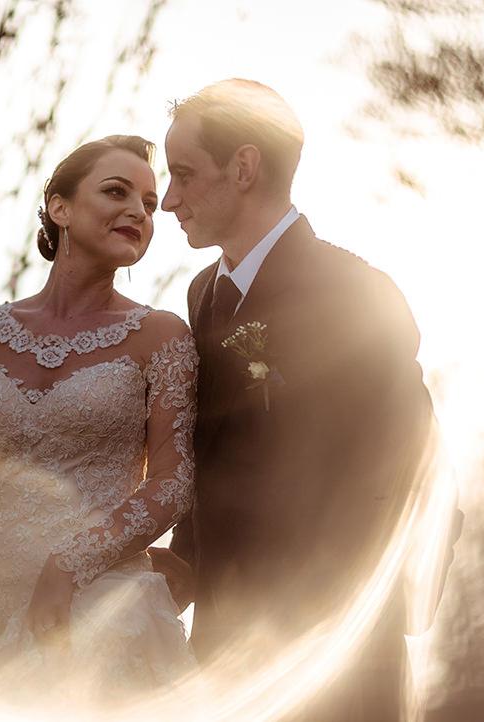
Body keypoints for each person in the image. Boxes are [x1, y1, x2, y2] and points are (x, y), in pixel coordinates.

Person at [155, 79, 449, 721]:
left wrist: (370, 616)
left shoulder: (354, 293)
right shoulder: (202, 297)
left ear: (243, 167)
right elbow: (213, 458)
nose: (168, 199)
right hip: (222, 664)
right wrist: (185, 564)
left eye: (182, 173)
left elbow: (422, 470)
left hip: (335, 664)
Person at [0, 134, 198, 705]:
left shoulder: (162, 337)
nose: (138, 210)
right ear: (59, 207)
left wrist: (74, 561)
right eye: (117, 191)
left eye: (150, 203)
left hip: (105, 601)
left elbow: (172, 482)